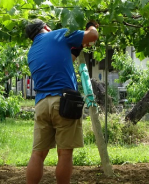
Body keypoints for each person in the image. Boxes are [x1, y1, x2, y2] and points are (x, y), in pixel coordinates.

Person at [24, 19, 99, 184]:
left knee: (38, 154)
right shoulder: (59, 34)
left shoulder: (32, 52)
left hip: (42, 104)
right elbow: (93, 36)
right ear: (45, 27)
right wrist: (91, 25)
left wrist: (76, 49)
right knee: (65, 153)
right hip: (64, 102)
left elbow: (63, 62)